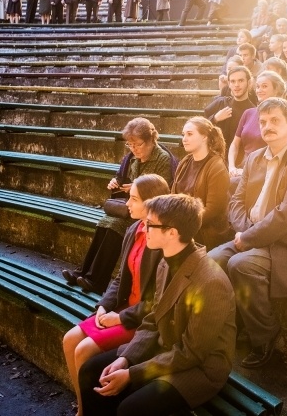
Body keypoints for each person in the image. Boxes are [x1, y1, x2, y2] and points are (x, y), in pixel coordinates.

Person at [79, 194, 236, 415]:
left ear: (172, 232)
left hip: (200, 367)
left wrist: (132, 374)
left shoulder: (211, 282)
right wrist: (126, 358)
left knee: (130, 409)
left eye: (150, 224)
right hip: (166, 347)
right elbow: (153, 318)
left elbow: (191, 353)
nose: (143, 228)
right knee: (90, 371)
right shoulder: (166, 260)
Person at [209, 98, 287, 368]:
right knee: (212, 260)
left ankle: (264, 335)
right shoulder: (254, 158)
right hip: (253, 235)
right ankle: (231, 326)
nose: (268, 126)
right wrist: (246, 232)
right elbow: (236, 202)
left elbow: (286, 216)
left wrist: (248, 238)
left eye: (275, 121)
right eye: (263, 122)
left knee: (241, 265)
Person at [62, 174, 170, 414]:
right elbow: (120, 277)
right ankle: (82, 408)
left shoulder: (161, 241)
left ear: (151, 203)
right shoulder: (133, 229)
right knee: (70, 339)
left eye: (133, 199)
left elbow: (156, 303)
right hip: (120, 309)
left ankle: (90, 411)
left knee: (83, 350)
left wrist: (119, 318)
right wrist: (103, 306)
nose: (127, 204)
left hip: (139, 318)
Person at [63, 118, 174, 293]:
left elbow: (163, 191)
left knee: (115, 225)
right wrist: (116, 182)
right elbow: (122, 178)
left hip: (148, 212)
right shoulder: (132, 159)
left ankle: (96, 281)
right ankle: (82, 272)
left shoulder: (162, 158)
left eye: (137, 145)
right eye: (130, 145)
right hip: (131, 206)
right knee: (105, 221)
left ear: (150, 140)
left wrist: (137, 189)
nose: (134, 149)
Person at [172, 117, 230, 250]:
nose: (184, 139)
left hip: (206, 233)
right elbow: (173, 197)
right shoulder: (185, 161)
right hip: (184, 226)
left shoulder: (217, 166)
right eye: (183, 134)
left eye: (190, 134)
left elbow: (212, 211)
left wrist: (181, 225)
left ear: (204, 136)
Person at [228, 71, 287, 178]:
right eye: (258, 87)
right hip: (242, 169)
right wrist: (232, 167)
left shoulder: (282, 117)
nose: (259, 90)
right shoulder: (248, 113)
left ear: (276, 90)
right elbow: (235, 144)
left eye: (264, 86)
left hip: (265, 173)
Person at [204, 66, 256, 148]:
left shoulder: (253, 112)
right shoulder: (220, 103)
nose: (236, 85)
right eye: (233, 81)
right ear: (229, 84)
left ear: (249, 83)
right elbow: (200, 128)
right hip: (217, 157)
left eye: (241, 80)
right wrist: (215, 119)